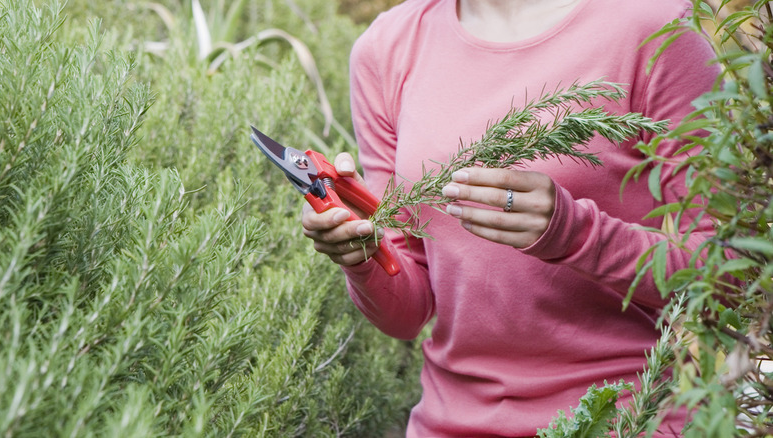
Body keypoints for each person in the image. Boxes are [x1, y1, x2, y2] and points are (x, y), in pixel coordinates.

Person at [302, 0, 719, 436]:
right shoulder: (389, 46)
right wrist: (361, 255)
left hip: (624, 418)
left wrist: (574, 234)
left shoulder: (652, 25)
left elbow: (728, 276)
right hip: (451, 424)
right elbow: (406, 314)